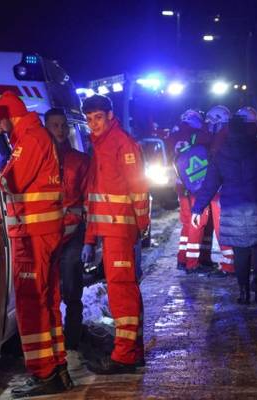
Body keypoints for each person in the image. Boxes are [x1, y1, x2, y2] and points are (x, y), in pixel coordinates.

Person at [0, 92, 72, 397]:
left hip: (32, 234)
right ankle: (57, 368)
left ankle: (43, 372)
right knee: (47, 302)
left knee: (31, 304)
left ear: (7, 116)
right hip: (42, 232)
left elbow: (12, 182)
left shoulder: (30, 138)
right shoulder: (34, 136)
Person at [191, 113, 257, 308]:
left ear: (229, 131)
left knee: (241, 253)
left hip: (233, 211)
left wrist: (197, 209)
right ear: (246, 130)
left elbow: (209, 186)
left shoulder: (220, 155)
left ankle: (244, 292)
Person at [80, 94, 149, 374]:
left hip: (120, 229)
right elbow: (94, 198)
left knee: (122, 291)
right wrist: (89, 238)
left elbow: (139, 188)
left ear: (110, 116)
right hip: (110, 230)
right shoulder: (101, 145)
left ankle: (124, 356)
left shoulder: (121, 143)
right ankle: (133, 349)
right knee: (124, 289)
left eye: (98, 117)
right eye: (89, 119)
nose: (93, 124)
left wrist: (142, 224)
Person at [44, 108, 90, 370]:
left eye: (63, 125)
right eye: (54, 125)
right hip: (47, 233)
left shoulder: (80, 160)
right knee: (48, 288)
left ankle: (72, 340)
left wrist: (89, 238)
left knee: (72, 285)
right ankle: (50, 340)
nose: (60, 130)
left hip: (73, 231)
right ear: (46, 127)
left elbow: (88, 198)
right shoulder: (40, 159)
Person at [167, 109, 214, 273]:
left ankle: (183, 259)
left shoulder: (174, 134)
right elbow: (208, 139)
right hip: (196, 186)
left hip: (182, 186)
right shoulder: (195, 134)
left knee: (188, 223)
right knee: (198, 222)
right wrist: (207, 128)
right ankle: (192, 263)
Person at [202, 105, 235, 277]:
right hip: (229, 188)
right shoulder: (231, 135)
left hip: (221, 190)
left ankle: (229, 265)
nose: (208, 126)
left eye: (211, 123)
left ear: (219, 122)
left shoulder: (221, 137)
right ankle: (233, 262)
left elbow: (216, 167)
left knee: (222, 227)